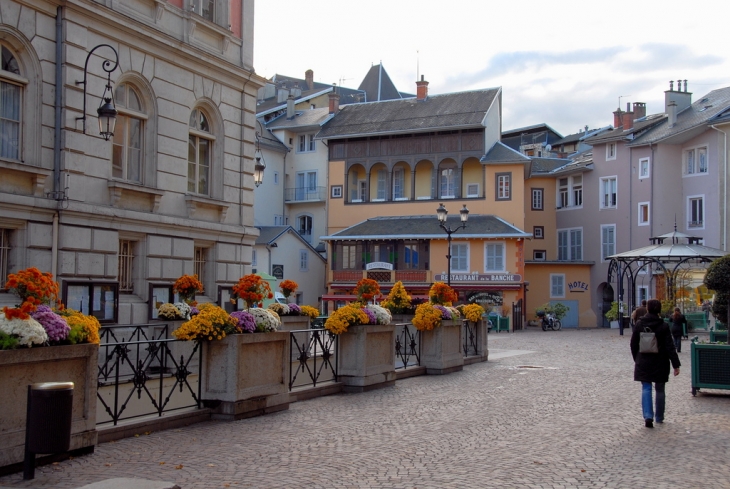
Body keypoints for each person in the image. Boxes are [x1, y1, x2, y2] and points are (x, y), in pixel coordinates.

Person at [630, 299, 681, 428]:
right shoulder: (663, 326)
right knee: (660, 389)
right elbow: (670, 346)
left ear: (647, 309)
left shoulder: (640, 324)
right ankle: (659, 416)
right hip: (660, 361)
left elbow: (633, 343)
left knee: (646, 388)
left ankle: (648, 416)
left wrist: (637, 358)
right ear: (659, 310)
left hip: (644, 360)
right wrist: (676, 364)